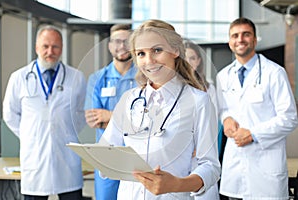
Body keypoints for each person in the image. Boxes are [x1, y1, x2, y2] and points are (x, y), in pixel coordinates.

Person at [100, 19, 221, 200]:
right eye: (141, 53)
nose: (149, 61)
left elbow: (210, 166)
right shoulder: (129, 100)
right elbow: (106, 149)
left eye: (157, 50)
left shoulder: (199, 101)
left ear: (175, 50)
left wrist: (177, 184)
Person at [216, 17, 298, 200]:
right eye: (235, 35)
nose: (240, 39)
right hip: (235, 167)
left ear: (254, 39)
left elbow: (290, 118)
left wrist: (253, 133)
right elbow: (223, 109)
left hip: (266, 167)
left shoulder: (274, 73)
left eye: (246, 34)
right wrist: (226, 119)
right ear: (230, 42)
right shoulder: (223, 76)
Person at [3, 25, 86, 200]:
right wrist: (30, 134)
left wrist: (64, 132)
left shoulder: (76, 77)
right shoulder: (19, 77)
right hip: (34, 156)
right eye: (45, 46)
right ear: (36, 48)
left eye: (55, 46)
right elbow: (9, 114)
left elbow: (81, 114)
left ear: (61, 48)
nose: (50, 51)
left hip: (66, 158)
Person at [84, 24, 137, 200]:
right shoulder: (97, 78)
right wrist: (130, 119)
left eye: (127, 41)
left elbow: (146, 120)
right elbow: (94, 120)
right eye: (117, 41)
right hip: (106, 156)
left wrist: (109, 116)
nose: (122, 46)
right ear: (109, 45)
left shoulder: (144, 76)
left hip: (137, 155)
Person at [184, 41, 221, 200]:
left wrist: (199, 147)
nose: (188, 62)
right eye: (185, 59)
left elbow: (214, 123)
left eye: (192, 58)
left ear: (199, 60)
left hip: (200, 152)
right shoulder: (173, 87)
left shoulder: (209, 88)